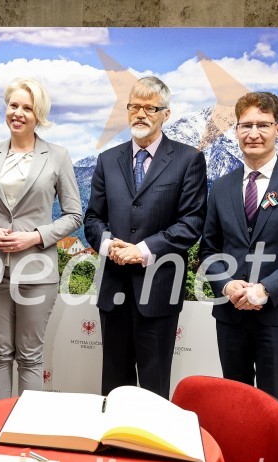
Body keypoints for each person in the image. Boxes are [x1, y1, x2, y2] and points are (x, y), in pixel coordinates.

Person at [199, 91, 278, 408]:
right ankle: (239, 460)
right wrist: (227, 284)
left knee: (275, 408)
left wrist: (265, 289)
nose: (253, 133)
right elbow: (209, 250)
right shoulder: (222, 187)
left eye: (263, 125)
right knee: (234, 405)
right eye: (246, 125)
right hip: (230, 317)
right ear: (237, 130)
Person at [84, 76, 207, 399]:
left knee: (154, 387)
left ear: (166, 113)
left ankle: (151, 449)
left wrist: (142, 250)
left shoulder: (187, 160)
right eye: (134, 107)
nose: (140, 114)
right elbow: (93, 219)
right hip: (114, 289)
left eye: (149, 108)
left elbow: (192, 222)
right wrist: (110, 246)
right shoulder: (107, 160)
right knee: (113, 384)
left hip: (159, 290)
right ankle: (112, 445)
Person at [0, 78, 82, 401]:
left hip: (37, 271)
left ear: (38, 114)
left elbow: (74, 215)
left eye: (27, 108)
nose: (18, 113)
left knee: (30, 356)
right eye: (13, 105)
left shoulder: (57, 156)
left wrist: (35, 237)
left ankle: (26, 432)